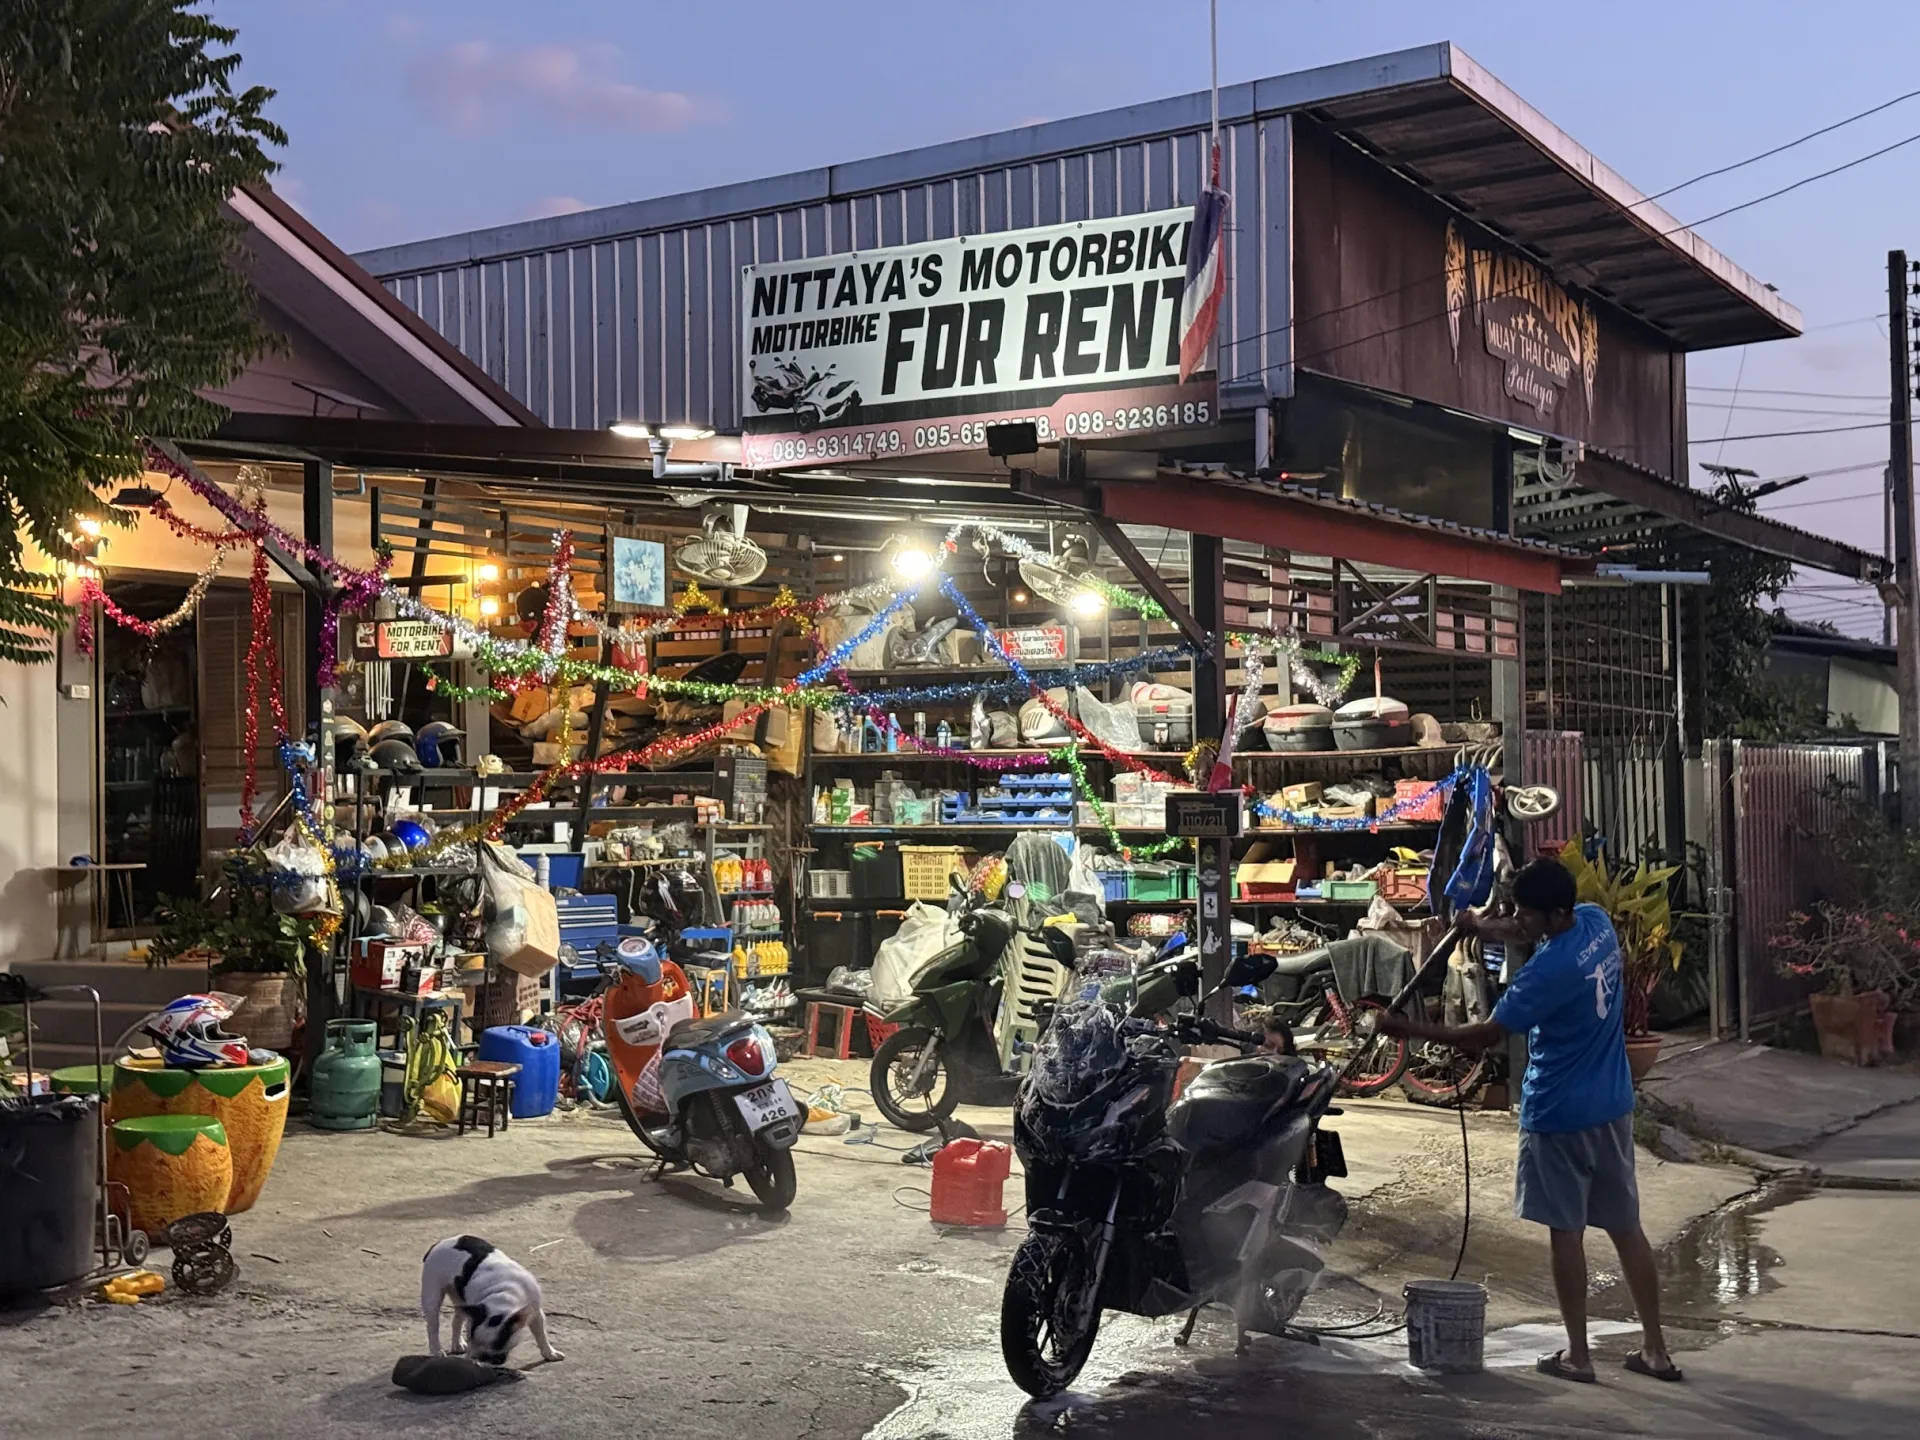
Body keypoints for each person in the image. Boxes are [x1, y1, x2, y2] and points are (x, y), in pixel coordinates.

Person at [1378, 856, 1683, 1386]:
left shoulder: (1546, 974)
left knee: (1565, 1231)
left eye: (1526, 916)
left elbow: (1484, 1035)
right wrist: (1477, 925)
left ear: (1555, 914)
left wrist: (1408, 1029)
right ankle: (1656, 1351)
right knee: (1625, 1227)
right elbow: (1525, 925)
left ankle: (1579, 1357)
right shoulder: (1595, 923)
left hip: (1559, 1114)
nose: (1518, 924)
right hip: (1610, 1105)